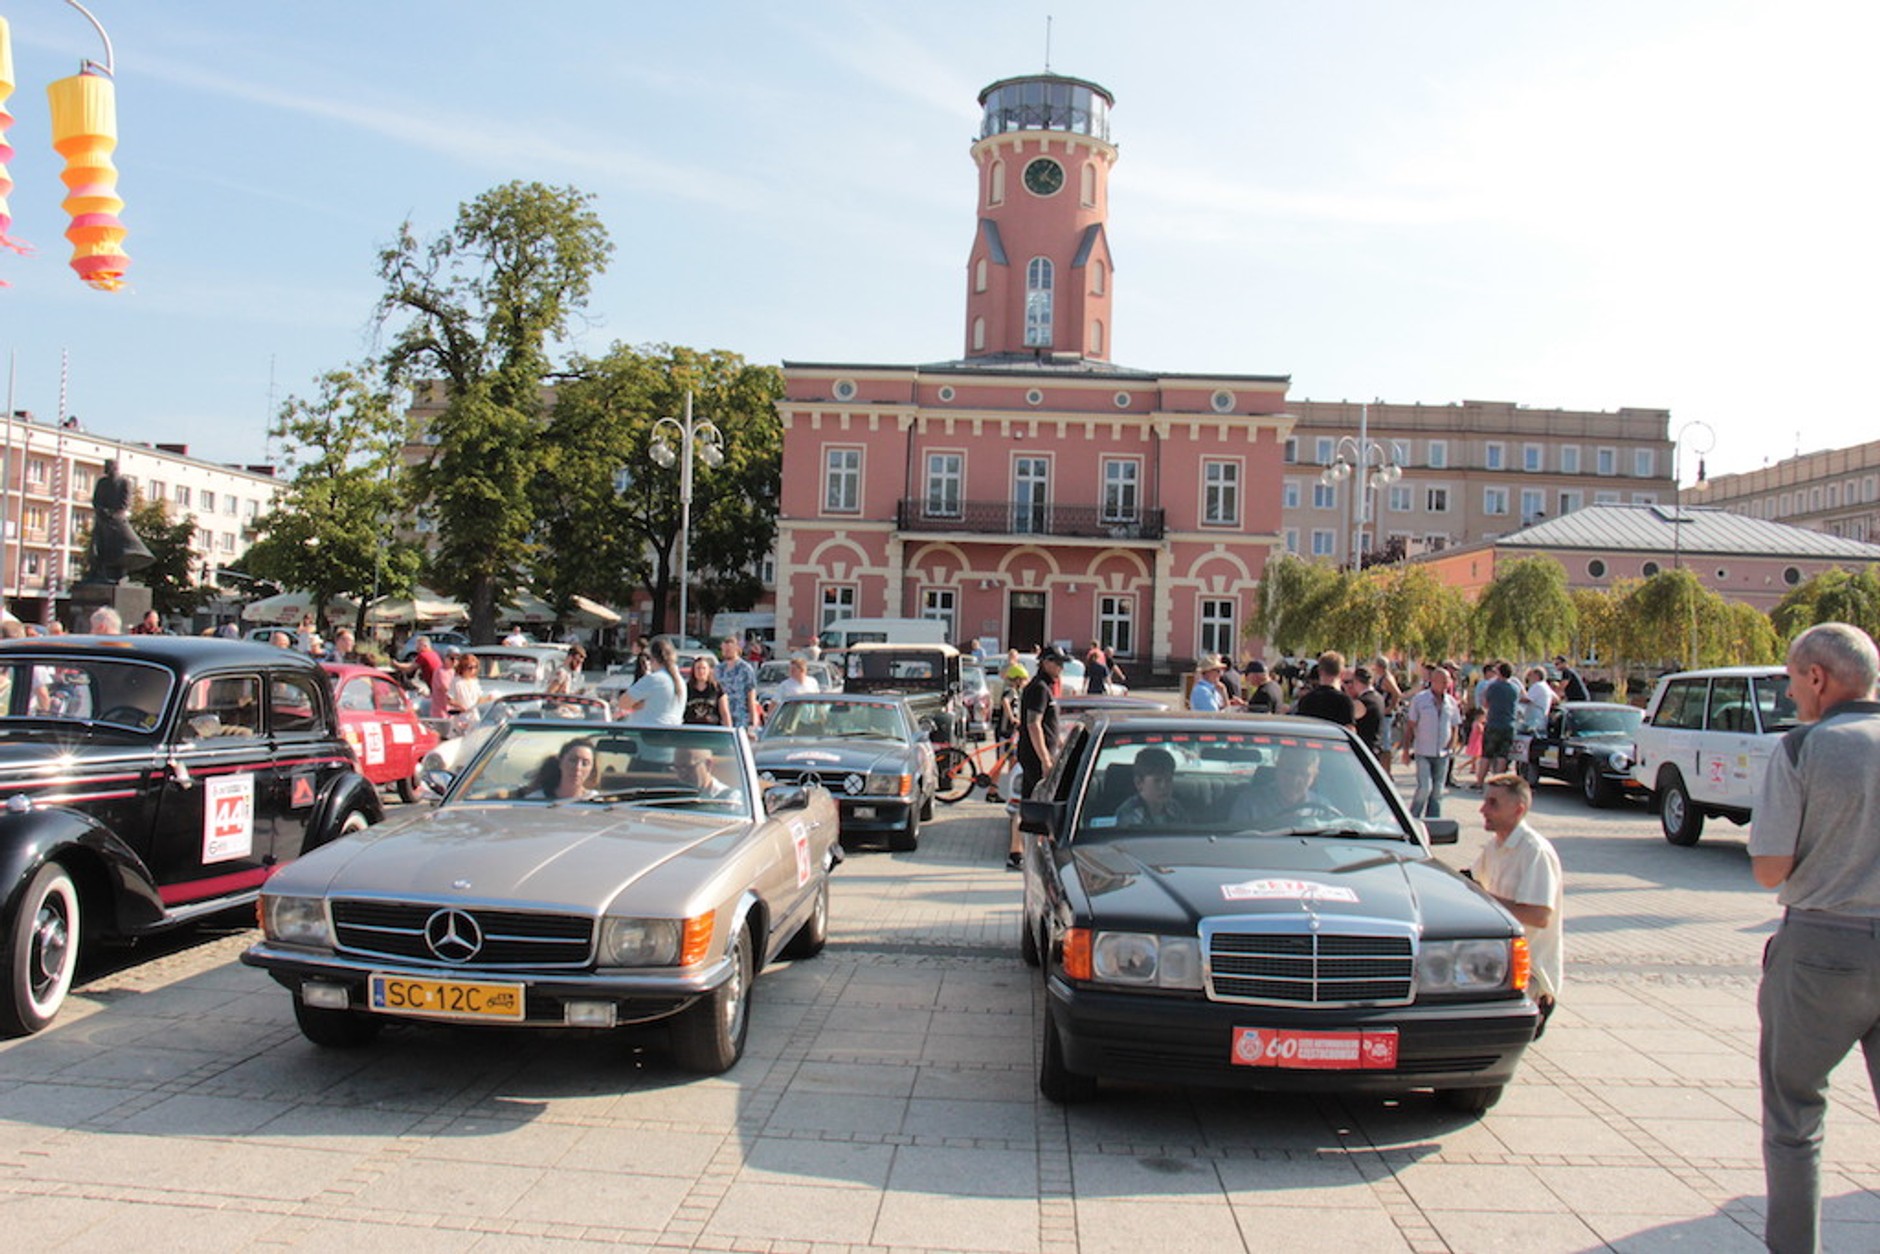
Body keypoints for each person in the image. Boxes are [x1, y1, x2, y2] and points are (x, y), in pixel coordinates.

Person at [1747, 622, 1880, 1253]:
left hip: (1823, 947)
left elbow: (1770, 867)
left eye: (1794, 679)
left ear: (1819, 678)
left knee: (1795, 1116)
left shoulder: (1804, 748)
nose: (1793, 693)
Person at [1472, 772, 1563, 1038]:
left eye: (1493, 803)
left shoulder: (1535, 852)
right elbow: (1472, 884)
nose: (1482, 810)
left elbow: (1538, 915)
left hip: (1530, 977)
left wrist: (1485, 900)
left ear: (1518, 809)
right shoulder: (1495, 845)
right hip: (1497, 967)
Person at [1008, 645, 1066, 870]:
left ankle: (1019, 854)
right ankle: (1023, 854)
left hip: (1036, 756)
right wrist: (1045, 760)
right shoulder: (1040, 688)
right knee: (1035, 808)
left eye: (1062, 663)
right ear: (1045, 662)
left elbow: (1047, 726)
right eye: (1057, 663)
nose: (1061, 668)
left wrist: (1059, 743)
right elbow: (1033, 725)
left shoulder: (1044, 687)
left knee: (1031, 806)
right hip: (1034, 759)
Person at [1402, 663, 1462, 818]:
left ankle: (1433, 822)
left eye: (1448, 682)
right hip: (1423, 751)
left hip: (1443, 753)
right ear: (1433, 681)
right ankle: (1413, 817)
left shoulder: (1451, 702)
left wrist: (1452, 744)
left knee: (1437, 791)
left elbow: (1455, 725)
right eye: (1443, 681)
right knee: (1425, 788)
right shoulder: (1420, 700)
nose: (1446, 685)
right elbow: (1410, 726)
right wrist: (1406, 751)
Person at [1228, 744, 1339, 827]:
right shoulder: (1250, 803)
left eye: (1304, 774)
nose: (1295, 780)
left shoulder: (1322, 808)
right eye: (1290, 772)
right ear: (1278, 769)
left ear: (1314, 776)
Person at [83, 459, 154, 584]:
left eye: (107, 466)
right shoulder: (102, 482)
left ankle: (121, 570)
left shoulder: (124, 482)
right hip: (102, 519)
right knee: (97, 546)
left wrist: (112, 513)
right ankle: (98, 571)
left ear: (114, 468)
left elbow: (125, 503)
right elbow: (96, 500)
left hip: (117, 519)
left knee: (123, 544)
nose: (105, 469)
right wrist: (101, 510)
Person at [1112, 747, 1189, 827]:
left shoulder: (1175, 808)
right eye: (1157, 781)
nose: (1164, 786)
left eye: (1168, 780)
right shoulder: (1129, 812)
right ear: (1139, 783)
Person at [619, 637, 685, 726]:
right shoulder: (681, 681)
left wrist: (638, 705)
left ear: (653, 658)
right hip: (672, 733)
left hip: (648, 734)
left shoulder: (654, 679)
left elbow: (623, 703)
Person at [1478, 661, 1521, 783]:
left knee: (1487, 754)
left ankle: (1480, 781)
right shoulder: (1515, 688)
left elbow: (1485, 703)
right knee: (1503, 755)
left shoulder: (1493, 687)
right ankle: (1498, 780)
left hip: (1493, 723)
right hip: (1509, 725)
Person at [523, 738, 598, 800]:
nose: (578, 767)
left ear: (591, 769)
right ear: (560, 762)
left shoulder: (596, 802)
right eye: (573, 760)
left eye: (585, 763)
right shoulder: (536, 800)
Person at [1294, 651, 1357, 725]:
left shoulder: (1306, 700)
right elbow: (1349, 730)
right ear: (1342, 673)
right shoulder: (1345, 702)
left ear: (1320, 671)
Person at [717, 636, 761, 731]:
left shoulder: (745, 669)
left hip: (741, 718)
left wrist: (753, 721)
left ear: (737, 649)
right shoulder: (718, 669)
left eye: (729, 649)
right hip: (721, 719)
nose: (726, 652)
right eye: (724, 649)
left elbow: (751, 696)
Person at [1348, 667, 1389, 763]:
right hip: (1376, 745)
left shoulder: (1362, 702)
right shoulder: (1379, 698)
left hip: (1364, 748)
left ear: (1357, 682)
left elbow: (1349, 723)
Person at [673, 745, 738, 801]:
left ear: (708, 765)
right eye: (677, 768)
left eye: (688, 768)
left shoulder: (730, 800)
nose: (683, 775)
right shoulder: (671, 798)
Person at [682, 654, 731, 726]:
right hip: (691, 730)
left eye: (703, 668)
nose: (701, 671)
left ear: (709, 670)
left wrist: (729, 729)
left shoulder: (717, 688)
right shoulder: (686, 689)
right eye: (698, 668)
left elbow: (725, 713)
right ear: (693, 671)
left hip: (712, 730)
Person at [447, 654, 483, 730]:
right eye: (470, 667)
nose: (473, 670)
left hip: (474, 717)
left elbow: (479, 699)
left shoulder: (475, 682)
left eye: (475, 667)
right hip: (461, 717)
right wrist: (461, 706)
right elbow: (449, 699)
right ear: (463, 667)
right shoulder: (457, 681)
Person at [1518, 665, 1556, 735]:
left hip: (1533, 723)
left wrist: (1515, 699)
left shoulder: (1537, 685)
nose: (1529, 678)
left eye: (1530, 675)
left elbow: (1527, 700)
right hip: (1541, 721)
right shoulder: (1545, 686)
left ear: (1536, 676)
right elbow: (1556, 699)